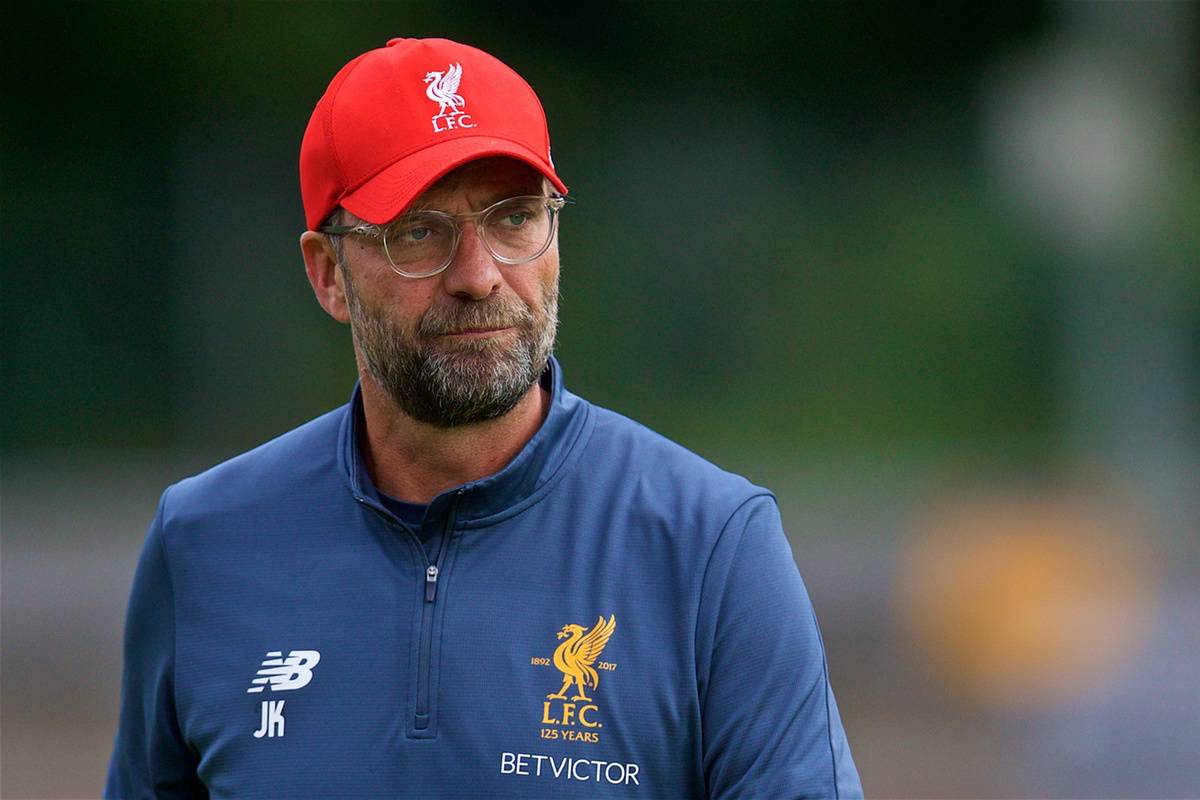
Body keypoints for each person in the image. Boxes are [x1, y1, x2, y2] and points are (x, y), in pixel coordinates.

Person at [106, 37, 862, 799]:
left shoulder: (710, 547)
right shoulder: (204, 543)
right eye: (419, 231)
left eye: (514, 218)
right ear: (328, 274)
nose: (479, 276)